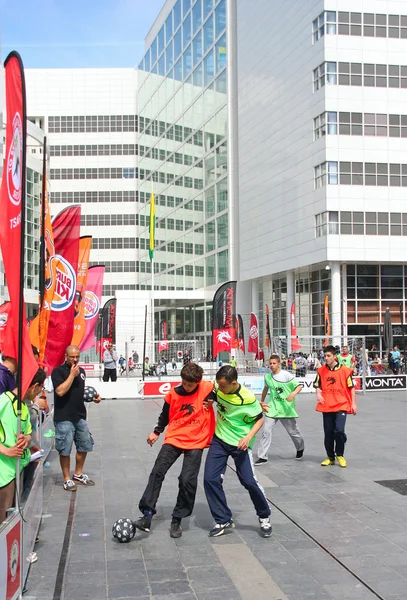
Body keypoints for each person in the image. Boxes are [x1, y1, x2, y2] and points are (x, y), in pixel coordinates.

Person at [135, 362, 215, 538]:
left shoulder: (207, 387)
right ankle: (147, 515)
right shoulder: (173, 394)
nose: (186, 387)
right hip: (174, 437)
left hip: (196, 441)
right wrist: (156, 432)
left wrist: (213, 400)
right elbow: (164, 416)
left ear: (198, 382)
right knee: (157, 472)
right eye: (184, 383)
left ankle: (177, 518)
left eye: (190, 385)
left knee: (187, 480)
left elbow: (223, 392)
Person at [203, 366, 272, 538]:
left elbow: (259, 419)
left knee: (248, 481)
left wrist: (248, 437)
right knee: (210, 479)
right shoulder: (219, 386)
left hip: (240, 443)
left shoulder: (247, 398)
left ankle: (264, 515)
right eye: (218, 385)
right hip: (219, 439)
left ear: (234, 383)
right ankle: (223, 519)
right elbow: (214, 393)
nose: (220, 389)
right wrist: (211, 399)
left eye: (223, 386)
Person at [51, 345, 101, 491]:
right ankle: (66, 478)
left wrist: (93, 398)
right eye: (72, 356)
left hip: (80, 416)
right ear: (65, 356)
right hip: (64, 417)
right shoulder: (58, 372)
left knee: (84, 444)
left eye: (77, 356)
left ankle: (78, 473)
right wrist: (72, 375)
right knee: (65, 449)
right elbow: (60, 391)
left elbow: (78, 393)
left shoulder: (82, 372)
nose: (75, 359)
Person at [0, 368, 47, 524]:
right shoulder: (4, 401)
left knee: (13, 518)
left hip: (17, 469)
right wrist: (6, 450)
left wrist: (25, 440)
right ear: (34, 386)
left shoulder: (23, 407)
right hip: (3, 475)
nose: (40, 393)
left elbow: (27, 433)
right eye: (41, 388)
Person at [255, 354, 304, 465]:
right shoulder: (267, 377)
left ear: (279, 364)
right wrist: (262, 401)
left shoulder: (286, 375)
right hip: (272, 409)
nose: (271, 365)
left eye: (274, 363)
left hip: (286, 409)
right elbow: (265, 389)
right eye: (270, 364)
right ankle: (262, 456)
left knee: (293, 432)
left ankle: (300, 448)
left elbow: (299, 386)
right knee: (266, 431)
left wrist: (293, 394)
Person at [314, 345, 357, 468]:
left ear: (334, 357)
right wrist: (318, 393)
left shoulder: (345, 371)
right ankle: (330, 457)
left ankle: (340, 454)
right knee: (328, 432)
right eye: (325, 356)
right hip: (327, 405)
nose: (326, 358)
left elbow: (351, 388)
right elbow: (317, 384)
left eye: (328, 356)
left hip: (342, 404)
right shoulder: (321, 371)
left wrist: (353, 404)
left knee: (339, 430)